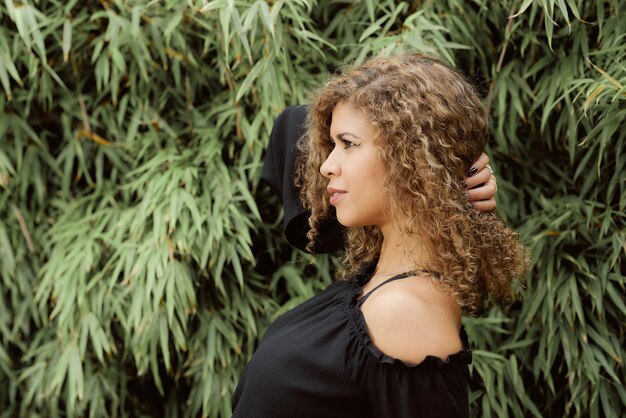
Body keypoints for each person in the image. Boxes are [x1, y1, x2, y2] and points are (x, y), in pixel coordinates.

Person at [232, 54, 527, 418]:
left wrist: (447, 164)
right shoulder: (382, 281)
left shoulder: (404, 312)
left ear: (411, 158)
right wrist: (456, 169)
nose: (325, 165)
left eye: (348, 144)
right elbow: (292, 125)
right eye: (332, 144)